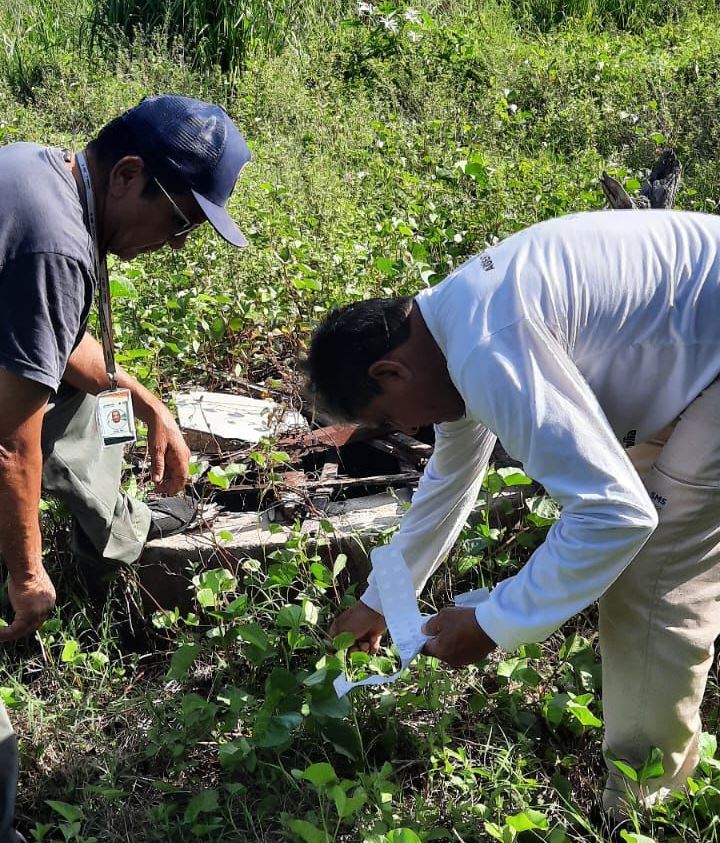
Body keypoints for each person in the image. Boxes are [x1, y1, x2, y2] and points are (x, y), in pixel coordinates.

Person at [306, 209, 720, 816]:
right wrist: (380, 598)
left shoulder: (485, 347)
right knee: (644, 504)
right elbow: (449, 478)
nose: (411, 430)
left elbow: (615, 516)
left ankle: (644, 801)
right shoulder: (451, 320)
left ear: (389, 371)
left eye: (392, 419)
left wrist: (494, 625)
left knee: (653, 574)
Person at [0, 93, 250, 841]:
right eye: (178, 220)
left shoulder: (38, 175)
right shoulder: (58, 244)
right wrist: (26, 574)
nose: (176, 243)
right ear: (128, 176)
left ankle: (111, 531)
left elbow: (37, 337)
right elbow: (10, 444)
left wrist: (144, 400)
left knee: (76, 400)